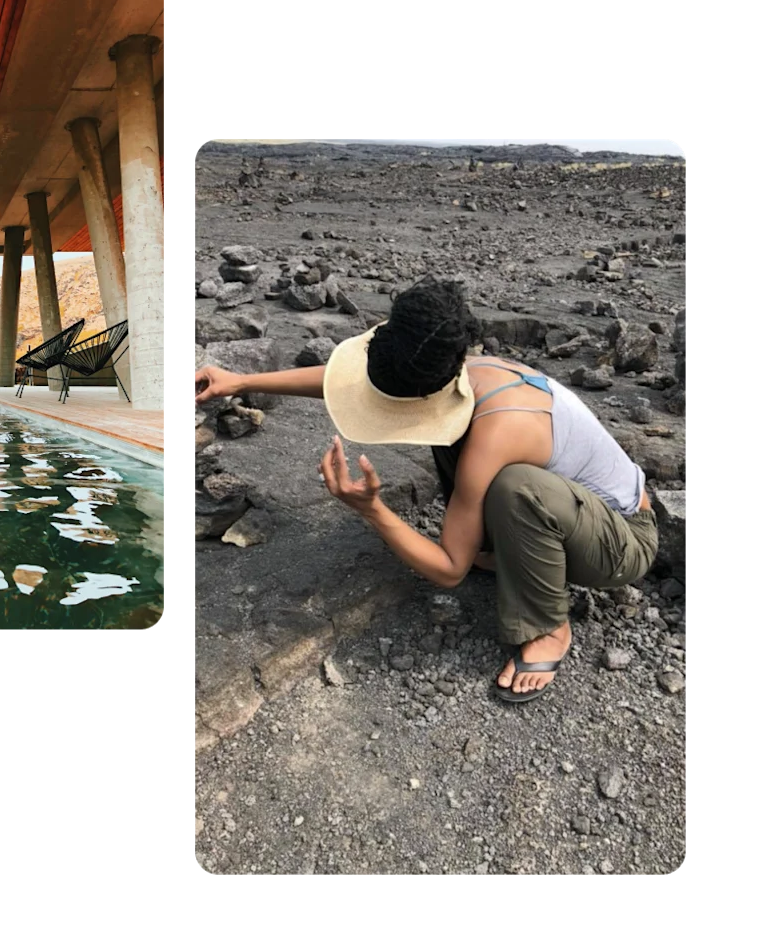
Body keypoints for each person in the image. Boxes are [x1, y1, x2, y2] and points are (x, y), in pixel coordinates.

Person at [193, 276, 658, 705]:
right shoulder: (453, 369)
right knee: (455, 439)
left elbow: (450, 571)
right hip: (574, 513)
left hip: (621, 542)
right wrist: (243, 380)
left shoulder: (500, 428)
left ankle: (550, 628)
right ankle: (508, 552)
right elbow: (348, 383)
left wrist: (372, 509)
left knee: (515, 487)